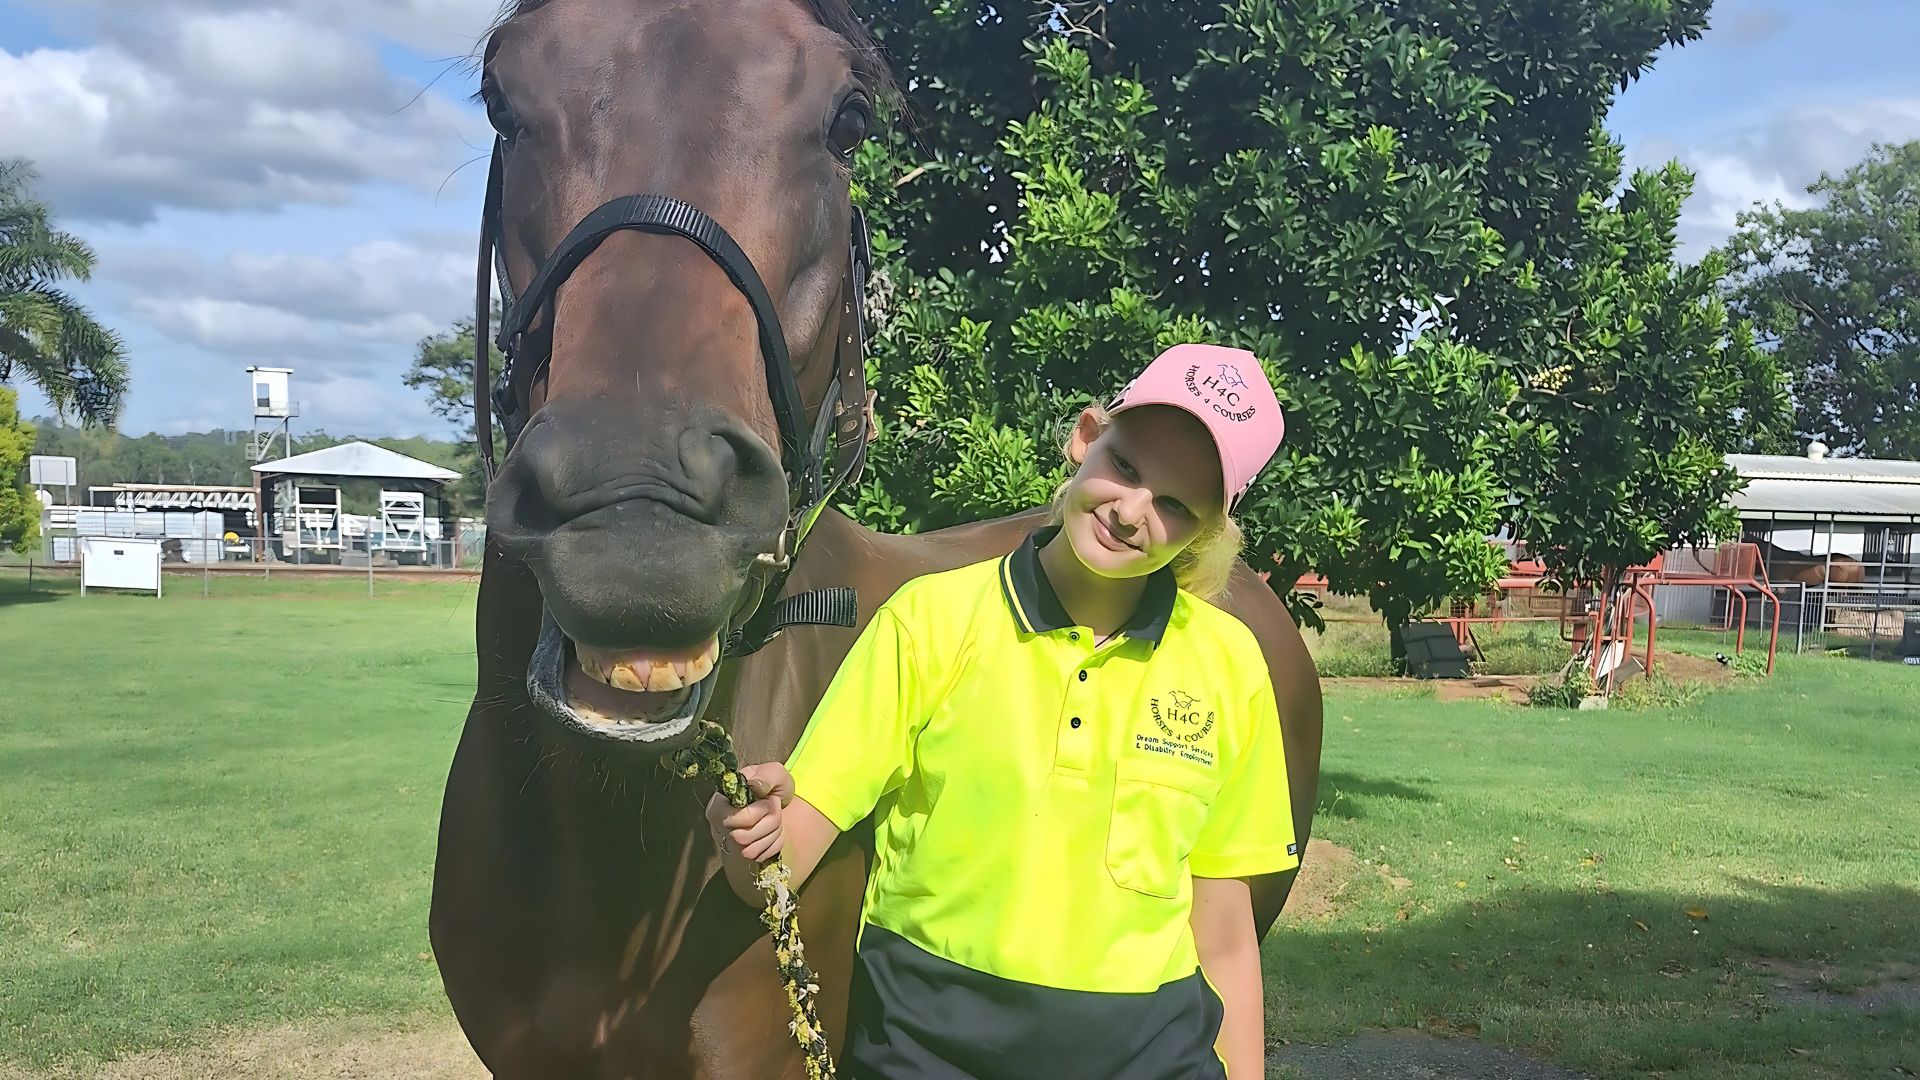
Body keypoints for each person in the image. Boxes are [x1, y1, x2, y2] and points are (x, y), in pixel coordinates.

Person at [707, 343, 1299, 1079]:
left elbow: (1225, 934)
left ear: (1206, 533)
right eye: (1127, 467)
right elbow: (782, 859)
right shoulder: (928, 622)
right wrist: (751, 836)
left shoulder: (1229, 663)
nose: (1132, 510)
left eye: (1176, 504)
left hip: (1152, 1055)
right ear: (1087, 437)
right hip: (929, 1053)